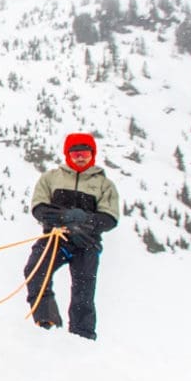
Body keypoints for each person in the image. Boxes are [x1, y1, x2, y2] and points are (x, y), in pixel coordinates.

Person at [24, 132, 120, 340]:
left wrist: (85, 221)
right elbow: (39, 208)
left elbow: (110, 218)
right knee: (34, 271)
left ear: (92, 154)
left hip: (87, 243)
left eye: (84, 153)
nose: (80, 157)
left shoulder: (104, 185)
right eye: (75, 153)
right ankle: (46, 322)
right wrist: (64, 217)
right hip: (54, 238)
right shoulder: (51, 178)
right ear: (67, 154)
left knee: (84, 290)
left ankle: (82, 336)